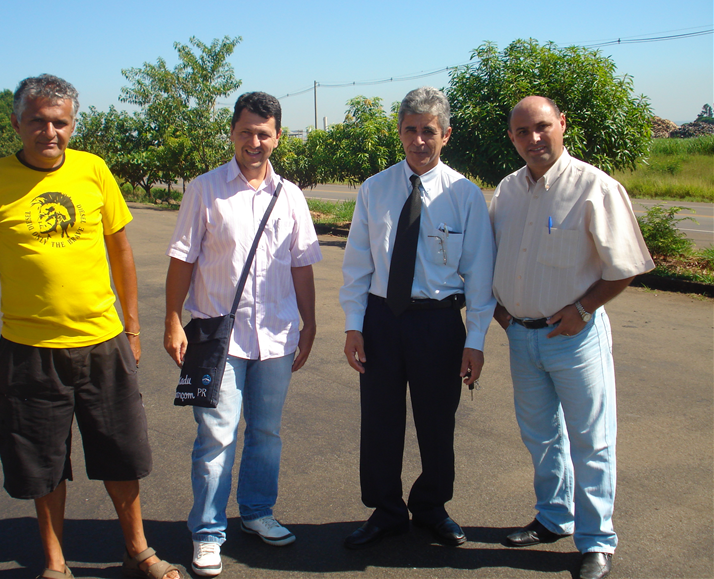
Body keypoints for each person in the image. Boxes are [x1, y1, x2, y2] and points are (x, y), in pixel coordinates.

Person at [0, 74, 179, 579]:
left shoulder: (93, 170)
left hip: (103, 343)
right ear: (17, 123)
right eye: (37, 121)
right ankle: (55, 563)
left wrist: (133, 329)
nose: (49, 131)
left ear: (73, 125)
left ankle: (138, 550)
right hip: (28, 350)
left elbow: (121, 251)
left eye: (60, 122)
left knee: (121, 455)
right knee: (41, 461)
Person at [490, 96, 655, 579]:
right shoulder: (508, 191)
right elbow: (495, 256)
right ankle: (553, 517)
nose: (533, 138)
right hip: (522, 337)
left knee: (592, 439)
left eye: (543, 127)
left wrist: (584, 309)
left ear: (562, 125)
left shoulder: (594, 187)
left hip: (574, 336)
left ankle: (596, 540)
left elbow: (625, 265)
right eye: (522, 131)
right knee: (540, 436)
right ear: (512, 137)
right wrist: (500, 308)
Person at [164, 92, 321, 577]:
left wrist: (310, 322)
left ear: (277, 137)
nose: (255, 141)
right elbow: (183, 258)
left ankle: (256, 512)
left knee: (267, 433)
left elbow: (301, 265)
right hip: (219, 338)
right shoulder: (205, 189)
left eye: (264, 133)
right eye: (246, 131)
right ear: (232, 132)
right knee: (216, 434)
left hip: (275, 335)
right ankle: (208, 532)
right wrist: (172, 318)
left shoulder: (291, 195)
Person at [339, 86, 496, 550]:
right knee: (380, 421)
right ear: (400, 133)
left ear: (445, 135)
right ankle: (386, 511)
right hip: (382, 321)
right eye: (411, 130)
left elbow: (480, 276)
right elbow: (357, 266)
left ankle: (430, 507)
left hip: (439, 325)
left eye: (429, 131)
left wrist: (477, 340)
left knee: (436, 421)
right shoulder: (375, 189)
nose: (419, 140)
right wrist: (354, 325)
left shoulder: (465, 195)